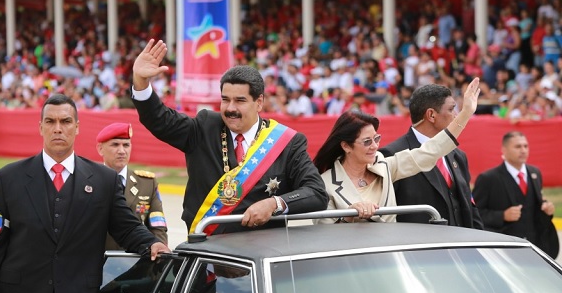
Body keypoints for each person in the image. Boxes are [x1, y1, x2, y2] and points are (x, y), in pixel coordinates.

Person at [0, 94, 170, 293]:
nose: (58, 128)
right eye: (51, 121)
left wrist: (152, 243)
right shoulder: (9, 178)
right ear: (40, 127)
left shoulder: (104, 180)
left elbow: (127, 227)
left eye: (66, 121)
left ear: (77, 127)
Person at [130, 39, 328, 234]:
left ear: (259, 102)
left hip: (261, 252)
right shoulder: (205, 126)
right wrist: (141, 82)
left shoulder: (286, 142)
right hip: (207, 250)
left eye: (240, 101)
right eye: (225, 100)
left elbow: (317, 193)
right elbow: (160, 120)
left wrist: (274, 203)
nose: (231, 108)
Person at [312, 78, 480, 224]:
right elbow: (323, 234)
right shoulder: (325, 184)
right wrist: (348, 216)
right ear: (346, 146)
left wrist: (465, 114)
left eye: (376, 139)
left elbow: (430, 152)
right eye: (366, 141)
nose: (374, 146)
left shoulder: (384, 166)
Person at [379, 84, 484, 229]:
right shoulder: (393, 155)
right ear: (431, 115)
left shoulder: (458, 156)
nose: (455, 115)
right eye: (451, 109)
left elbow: (470, 209)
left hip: (461, 247)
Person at [472, 132, 559, 258]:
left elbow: (535, 204)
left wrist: (547, 209)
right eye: (518, 147)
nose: (523, 150)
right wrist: (502, 216)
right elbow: (475, 214)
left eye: (525, 146)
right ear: (504, 150)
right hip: (505, 250)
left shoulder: (535, 173)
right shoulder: (488, 178)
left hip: (535, 247)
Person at [96, 122, 168, 246]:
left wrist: (159, 256)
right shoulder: (90, 181)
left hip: (134, 260)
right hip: (98, 260)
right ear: (100, 149)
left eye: (126, 145)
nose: (122, 151)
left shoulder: (147, 183)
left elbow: (157, 227)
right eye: (115, 145)